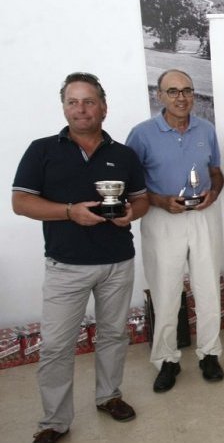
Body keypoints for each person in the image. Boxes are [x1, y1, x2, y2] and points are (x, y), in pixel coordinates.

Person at [12, 72, 148, 443]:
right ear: (64, 107)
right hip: (65, 266)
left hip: (117, 263)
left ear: (103, 107)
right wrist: (70, 212)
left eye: (89, 101)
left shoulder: (123, 154)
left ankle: (109, 396)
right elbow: (20, 202)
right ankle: (55, 421)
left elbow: (141, 200)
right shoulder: (42, 149)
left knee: (113, 336)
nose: (81, 109)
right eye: (73, 101)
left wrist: (130, 214)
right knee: (56, 346)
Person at [126, 69, 224, 392]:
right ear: (160, 96)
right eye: (173, 91)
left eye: (187, 90)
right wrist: (158, 200)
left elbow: (215, 172)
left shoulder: (206, 129)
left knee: (209, 286)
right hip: (161, 217)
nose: (181, 98)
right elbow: (131, 185)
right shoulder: (141, 134)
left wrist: (215, 192)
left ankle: (209, 353)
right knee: (166, 291)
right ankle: (167, 360)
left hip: (202, 216)